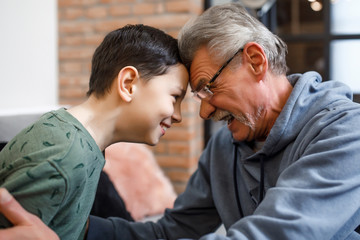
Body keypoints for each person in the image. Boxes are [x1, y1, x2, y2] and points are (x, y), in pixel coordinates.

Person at [2, 2, 360, 239]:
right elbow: (171, 231)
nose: (203, 112)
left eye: (207, 88)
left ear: (255, 61)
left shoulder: (345, 132)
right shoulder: (226, 144)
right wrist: (74, 230)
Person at [0, 24, 188, 240]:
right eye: (175, 97)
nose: (178, 115)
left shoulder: (84, 146)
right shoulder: (64, 156)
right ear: (128, 84)